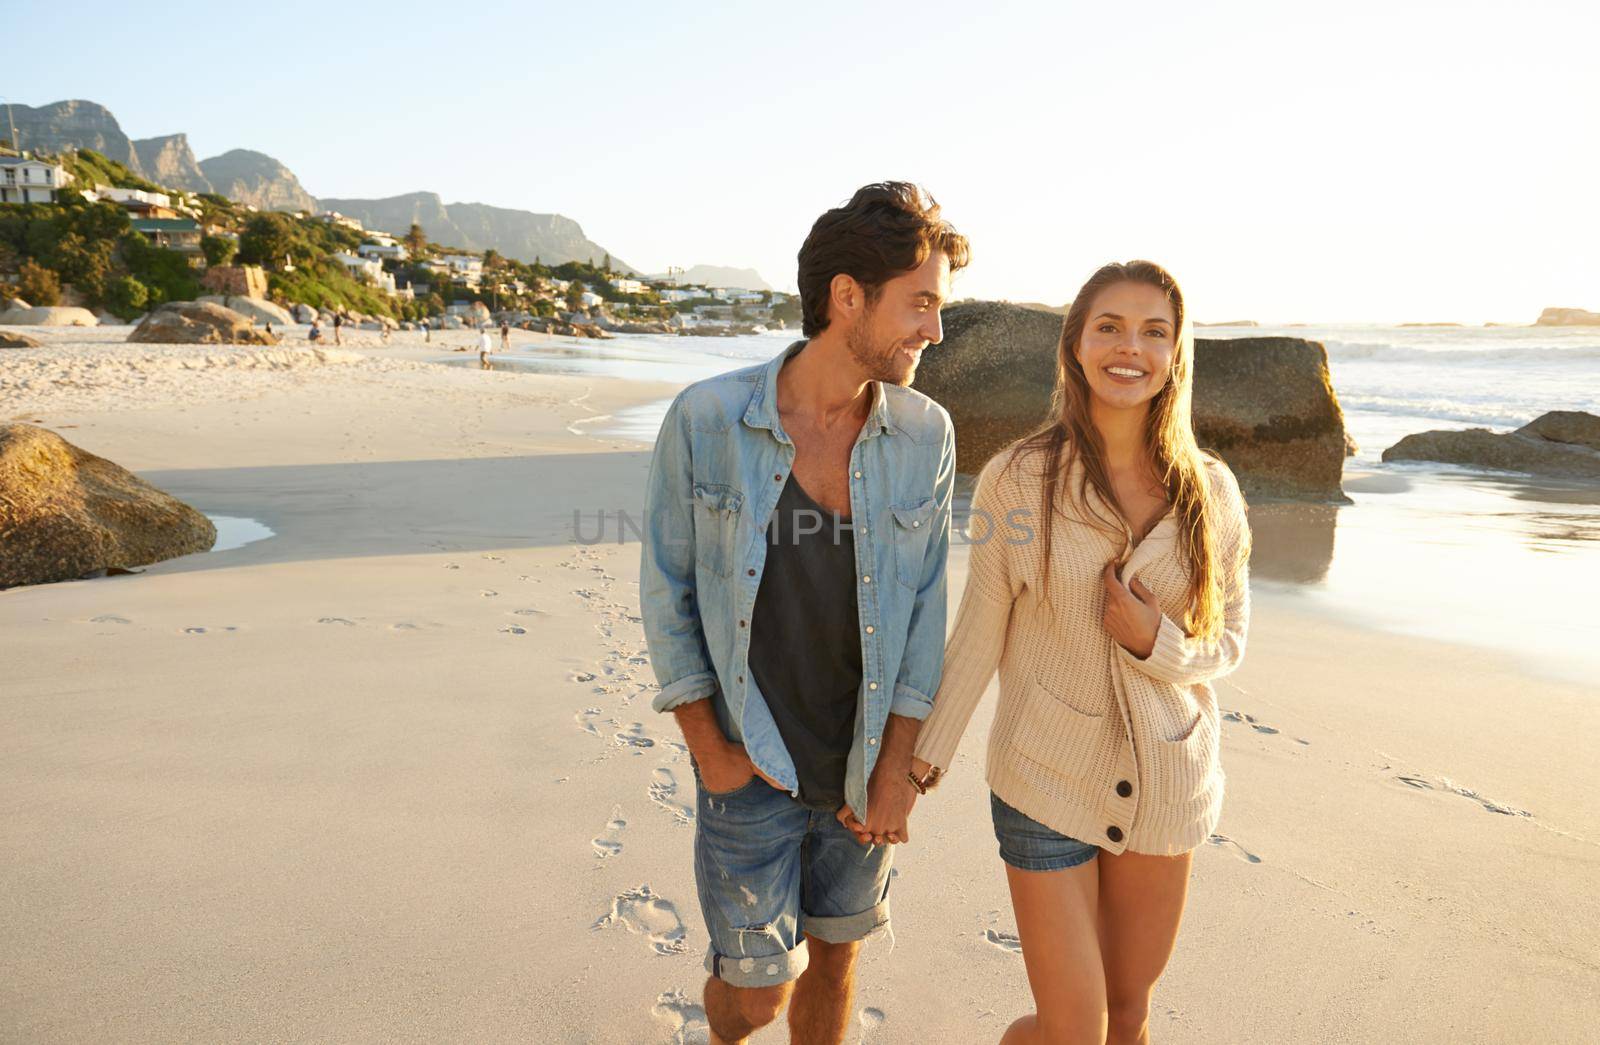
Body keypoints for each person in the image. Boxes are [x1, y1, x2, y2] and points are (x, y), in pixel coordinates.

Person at [640, 183, 968, 1045]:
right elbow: (666, 590)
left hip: (864, 769)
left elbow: (928, 608)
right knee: (756, 997)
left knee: (837, 962)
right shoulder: (708, 420)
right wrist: (710, 751)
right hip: (751, 766)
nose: (935, 329)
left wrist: (899, 765)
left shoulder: (927, 436)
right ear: (847, 296)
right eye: (921, 302)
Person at [905, 260, 1252, 1044]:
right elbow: (978, 632)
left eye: (1154, 332)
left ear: (1175, 353)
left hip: (1168, 775)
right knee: (1075, 1029)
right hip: (1043, 777)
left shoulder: (1212, 493)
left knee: (1126, 1016)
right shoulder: (1017, 481)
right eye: (1110, 326)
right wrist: (920, 762)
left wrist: (1154, 641)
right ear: (1075, 343)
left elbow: (1228, 640)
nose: (1131, 347)